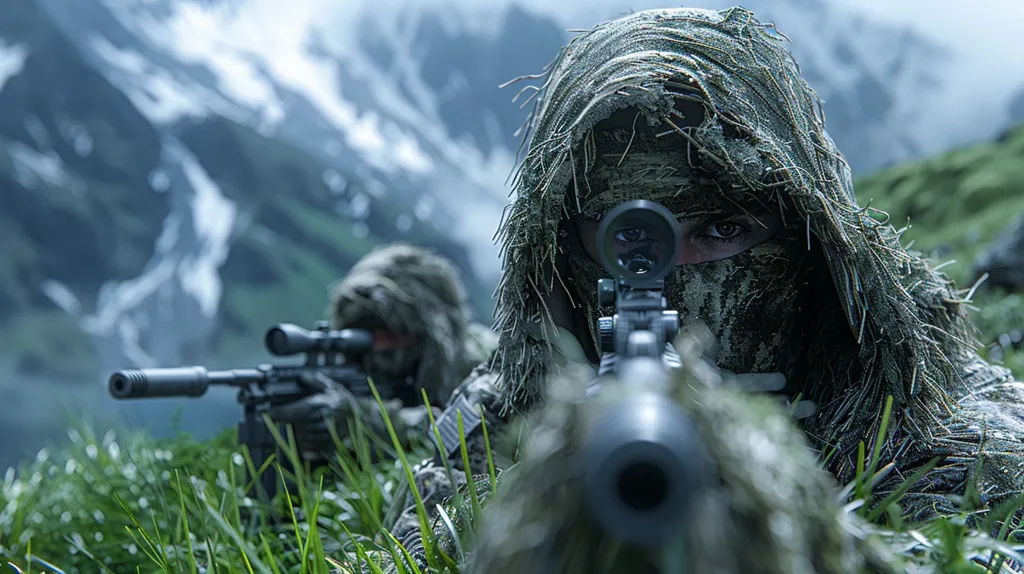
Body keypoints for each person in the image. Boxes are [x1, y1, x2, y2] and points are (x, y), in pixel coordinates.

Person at [370, 5, 1024, 569]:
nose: (669, 278)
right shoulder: (499, 420)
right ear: (555, 253)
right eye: (625, 242)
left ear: (808, 238)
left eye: (722, 228)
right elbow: (420, 544)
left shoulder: (930, 413)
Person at [268, 242, 497, 456]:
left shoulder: (488, 361)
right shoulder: (360, 371)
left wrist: (369, 422)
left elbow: (477, 433)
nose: (377, 346)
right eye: (365, 332)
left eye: (390, 332)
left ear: (430, 333)